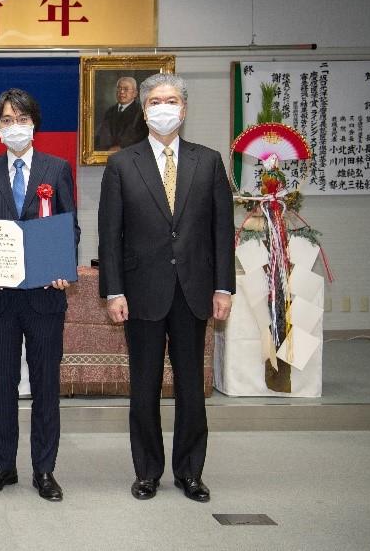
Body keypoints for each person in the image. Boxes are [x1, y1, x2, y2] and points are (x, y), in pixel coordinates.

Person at [97, 73, 234, 503]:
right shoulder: (123, 164)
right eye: (155, 101)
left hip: (194, 290)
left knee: (192, 386)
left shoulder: (208, 161)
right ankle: (147, 472)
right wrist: (113, 291)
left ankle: (190, 472)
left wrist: (224, 288)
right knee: (144, 385)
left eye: (171, 100)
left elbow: (221, 231)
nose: (163, 107)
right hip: (141, 292)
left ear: (184, 109)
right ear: (144, 111)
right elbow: (110, 234)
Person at [0, 88, 80, 502]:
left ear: (34, 123)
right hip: (0, 298)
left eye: (21, 119)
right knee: (2, 384)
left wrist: (62, 267)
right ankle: (3, 466)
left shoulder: (57, 168)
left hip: (45, 298)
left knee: (46, 385)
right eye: (6, 120)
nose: (14, 126)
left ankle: (44, 469)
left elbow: (70, 227)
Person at [94, 76, 148, 151]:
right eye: (119, 88)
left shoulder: (141, 112)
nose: (121, 92)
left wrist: (122, 147)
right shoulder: (110, 111)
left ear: (135, 93)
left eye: (126, 89)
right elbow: (102, 135)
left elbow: (142, 138)